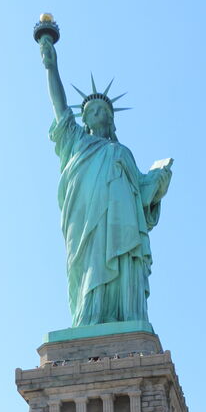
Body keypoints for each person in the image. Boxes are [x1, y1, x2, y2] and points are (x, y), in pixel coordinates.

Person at [38, 34, 172, 327]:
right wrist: (51, 67)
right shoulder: (75, 142)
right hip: (88, 224)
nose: (99, 113)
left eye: (104, 111)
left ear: (112, 120)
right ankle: (91, 319)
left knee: (124, 262)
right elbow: (60, 109)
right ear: (84, 120)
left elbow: (142, 192)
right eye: (92, 111)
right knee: (90, 269)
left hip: (122, 225)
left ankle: (127, 317)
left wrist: (158, 181)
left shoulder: (122, 152)